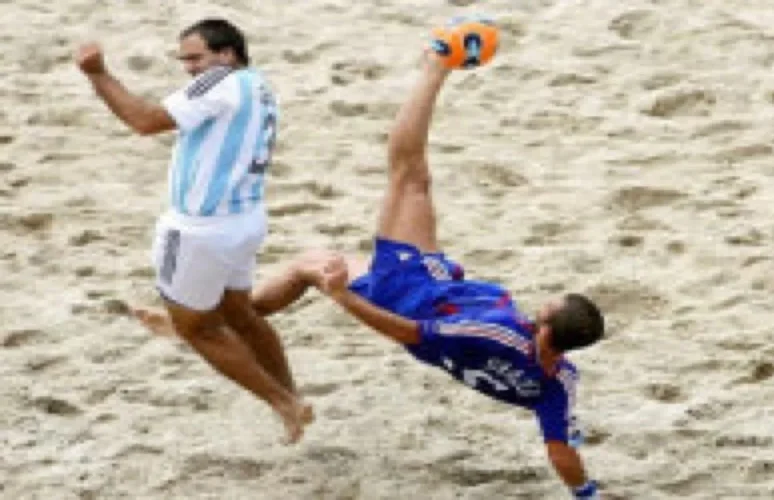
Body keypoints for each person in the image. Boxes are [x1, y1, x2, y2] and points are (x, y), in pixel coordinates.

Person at [135, 27, 605, 497]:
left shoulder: (496, 336)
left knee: (401, 179)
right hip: (437, 288)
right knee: (371, 210)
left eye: (546, 306)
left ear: (543, 327)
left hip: (409, 291)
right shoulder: (555, 384)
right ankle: (205, 326)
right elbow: (561, 449)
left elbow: (405, 334)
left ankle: (435, 68)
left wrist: (339, 295)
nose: (540, 303)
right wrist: (586, 491)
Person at [75, 18, 310, 443]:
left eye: (196, 58)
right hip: (245, 219)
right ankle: (291, 396)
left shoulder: (219, 82)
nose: (188, 67)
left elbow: (143, 121)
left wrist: (97, 74)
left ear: (227, 54)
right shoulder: (258, 84)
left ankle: (283, 402)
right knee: (243, 316)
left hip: (200, 228)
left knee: (197, 329)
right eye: (183, 59)